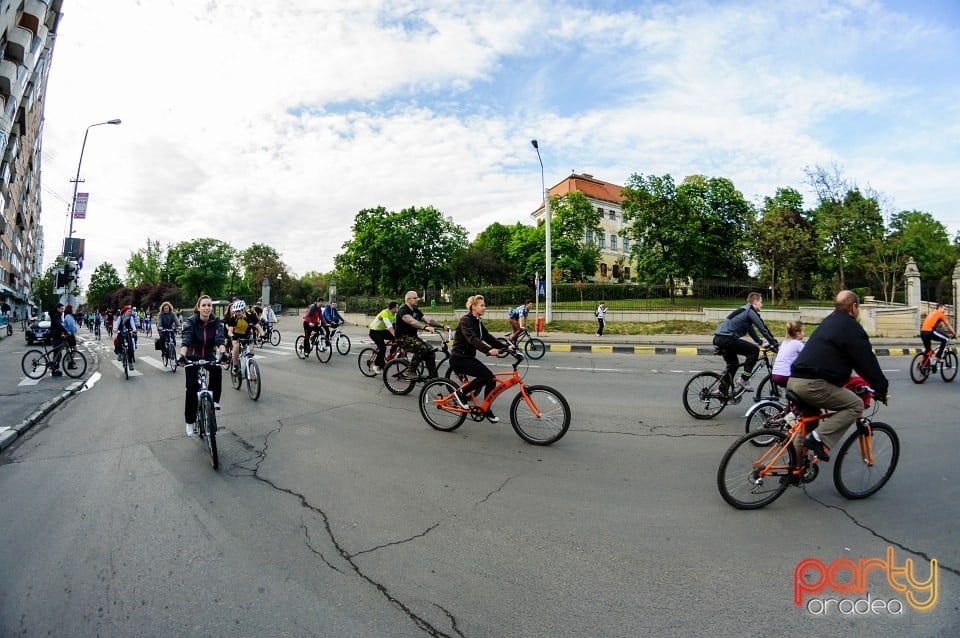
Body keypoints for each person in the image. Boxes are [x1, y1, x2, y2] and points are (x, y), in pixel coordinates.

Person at [787, 290, 889, 462]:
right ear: (854, 307)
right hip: (813, 384)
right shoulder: (850, 327)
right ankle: (818, 439)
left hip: (794, 380)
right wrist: (881, 388)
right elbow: (865, 361)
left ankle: (794, 470)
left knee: (810, 422)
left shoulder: (829, 322)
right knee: (855, 405)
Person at [450, 294, 511, 423]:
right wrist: (488, 350)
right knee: (487, 376)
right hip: (459, 358)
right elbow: (472, 339)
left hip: (468, 358)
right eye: (482, 305)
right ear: (473, 307)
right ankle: (460, 393)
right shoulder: (465, 321)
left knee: (491, 380)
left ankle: (486, 409)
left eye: (484, 305)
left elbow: (487, 337)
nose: (485, 308)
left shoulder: (477, 321)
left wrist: (507, 347)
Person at [178, 295, 228, 437]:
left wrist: (223, 353)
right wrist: (182, 356)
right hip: (193, 356)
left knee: (217, 369)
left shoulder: (216, 321)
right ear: (198, 307)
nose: (207, 308)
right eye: (204, 305)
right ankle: (190, 421)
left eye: (209, 305)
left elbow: (220, 338)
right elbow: (186, 340)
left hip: (208, 354)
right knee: (192, 388)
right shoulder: (191, 321)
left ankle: (214, 401)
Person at [712, 292, 779, 393]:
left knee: (733, 364)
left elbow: (750, 329)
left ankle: (722, 390)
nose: (762, 304)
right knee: (754, 351)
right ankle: (744, 379)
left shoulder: (744, 310)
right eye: (761, 302)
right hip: (727, 339)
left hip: (718, 338)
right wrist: (775, 344)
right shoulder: (750, 311)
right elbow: (763, 329)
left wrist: (760, 341)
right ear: (755, 302)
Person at [395, 290, 446, 378]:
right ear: (408, 300)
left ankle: (433, 378)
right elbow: (411, 321)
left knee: (430, 350)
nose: (417, 299)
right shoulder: (403, 310)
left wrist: (442, 326)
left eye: (417, 298)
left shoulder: (415, 310)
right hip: (402, 338)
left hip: (413, 337)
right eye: (414, 298)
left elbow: (428, 320)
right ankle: (410, 370)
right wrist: (425, 328)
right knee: (421, 348)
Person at [224, 299, 264, 372]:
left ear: (243, 310)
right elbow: (229, 331)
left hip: (246, 334)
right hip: (236, 335)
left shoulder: (250, 315)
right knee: (236, 346)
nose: (237, 313)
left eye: (239, 311)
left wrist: (262, 334)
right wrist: (232, 336)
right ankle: (235, 366)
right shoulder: (233, 318)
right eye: (236, 311)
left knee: (250, 350)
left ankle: (250, 363)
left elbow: (258, 326)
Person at [770, 321, 804, 388]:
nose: (804, 333)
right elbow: (808, 355)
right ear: (798, 333)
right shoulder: (797, 344)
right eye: (803, 331)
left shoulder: (785, 342)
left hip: (774, 374)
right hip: (785, 376)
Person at [368, 301, 398, 373]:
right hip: (374, 332)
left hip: (382, 331)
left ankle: (391, 354)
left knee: (397, 339)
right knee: (383, 348)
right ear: (393, 308)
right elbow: (389, 326)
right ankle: (376, 365)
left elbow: (397, 325)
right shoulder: (384, 313)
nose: (398, 308)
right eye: (397, 307)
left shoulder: (394, 314)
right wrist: (395, 335)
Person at [113, 305, 140, 369]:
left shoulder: (131, 318)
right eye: (128, 311)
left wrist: (134, 329)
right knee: (118, 341)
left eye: (130, 311)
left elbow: (132, 324)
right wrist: (115, 330)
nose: (130, 313)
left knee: (130, 347)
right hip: (121, 332)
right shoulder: (120, 317)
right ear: (125, 312)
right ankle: (119, 353)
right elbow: (116, 324)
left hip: (128, 332)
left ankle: (130, 363)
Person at [49, 302, 66, 377]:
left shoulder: (57, 315)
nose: (63, 310)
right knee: (57, 354)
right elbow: (58, 325)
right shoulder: (56, 315)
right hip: (55, 336)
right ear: (58, 308)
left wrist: (63, 333)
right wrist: (66, 331)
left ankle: (55, 369)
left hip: (57, 336)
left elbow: (59, 325)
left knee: (58, 354)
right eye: (61, 309)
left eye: (63, 309)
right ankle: (55, 370)